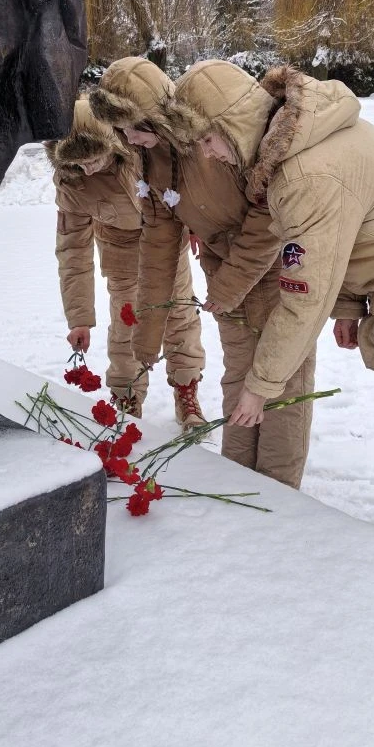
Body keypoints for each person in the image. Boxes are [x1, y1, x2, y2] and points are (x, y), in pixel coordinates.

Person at [166, 58, 374, 574]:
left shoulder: (304, 175)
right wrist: (348, 306)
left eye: (208, 140)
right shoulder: (304, 137)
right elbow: (346, 233)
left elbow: (303, 298)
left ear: (233, 124)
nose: (207, 155)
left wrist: (261, 385)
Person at [89, 57, 316, 488]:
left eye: (133, 126)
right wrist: (148, 333)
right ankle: (238, 476)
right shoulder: (150, 160)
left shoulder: (213, 139)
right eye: (120, 130)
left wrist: (231, 284)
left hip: (272, 267)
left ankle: (278, 493)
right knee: (238, 376)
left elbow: (269, 212)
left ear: (157, 116)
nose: (127, 139)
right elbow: (159, 245)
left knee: (280, 383)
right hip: (223, 272)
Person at [47, 96, 207, 429]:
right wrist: (79, 318)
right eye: (80, 164)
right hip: (121, 253)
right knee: (128, 325)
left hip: (166, 241)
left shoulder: (139, 147)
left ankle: (186, 390)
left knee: (179, 316)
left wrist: (196, 223)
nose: (89, 169)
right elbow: (73, 251)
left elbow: (185, 179)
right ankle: (126, 397)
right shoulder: (72, 184)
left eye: (94, 159)